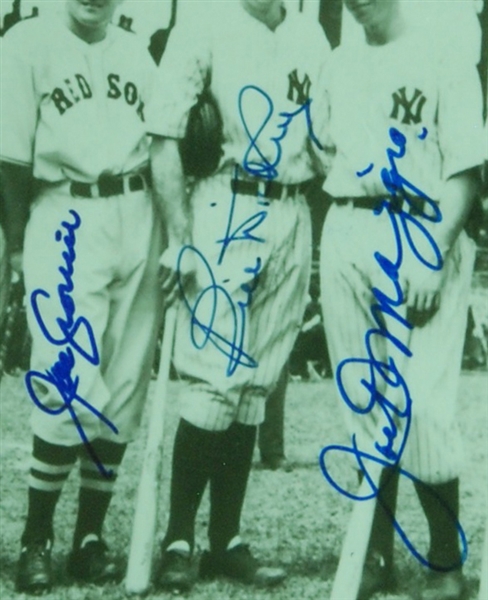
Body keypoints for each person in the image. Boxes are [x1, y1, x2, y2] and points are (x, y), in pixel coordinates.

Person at [146, 0, 331, 591]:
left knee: (256, 381)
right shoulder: (202, 22)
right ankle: (178, 538)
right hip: (226, 201)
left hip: (293, 207)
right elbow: (165, 137)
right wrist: (179, 238)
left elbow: (330, 137)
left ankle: (226, 539)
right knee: (214, 379)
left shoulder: (310, 34)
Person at [319, 0, 485, 599]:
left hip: (420, 232)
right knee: (364, 402)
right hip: (348, 224)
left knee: (421, 406)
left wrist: (435, 249)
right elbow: (318, 151)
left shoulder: (444, 48)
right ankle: (376, 555)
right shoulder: (337, 62)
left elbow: (467, 165)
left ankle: (446, 562)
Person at [0, 0, 162, 594]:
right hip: (65, 209)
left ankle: (88, 540)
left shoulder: (136, 50)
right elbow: (11, 158)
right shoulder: (24, 43)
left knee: (123, 379)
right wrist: (17, 248)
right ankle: (35, 539)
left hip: (139, 209)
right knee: (65, 373)